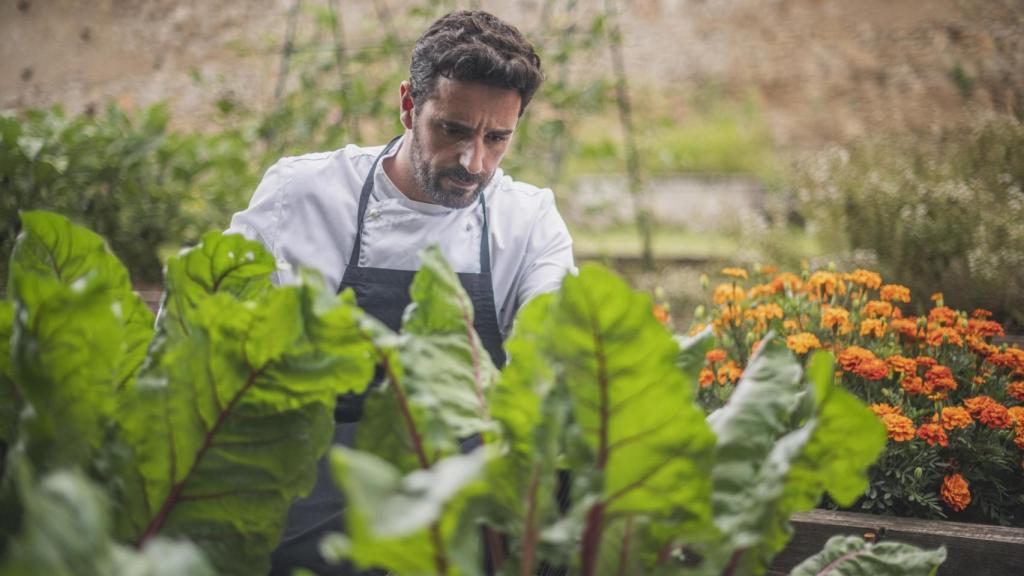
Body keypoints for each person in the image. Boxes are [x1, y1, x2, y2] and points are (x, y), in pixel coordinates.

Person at [226, 10, 575, 575]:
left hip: (455, 546)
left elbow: (553, 353)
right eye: (454, 130)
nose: (474, 161)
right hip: (309, 541)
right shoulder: (304, 195)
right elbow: (207, 344)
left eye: (497, 138)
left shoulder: (528, 221)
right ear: (410, 106)